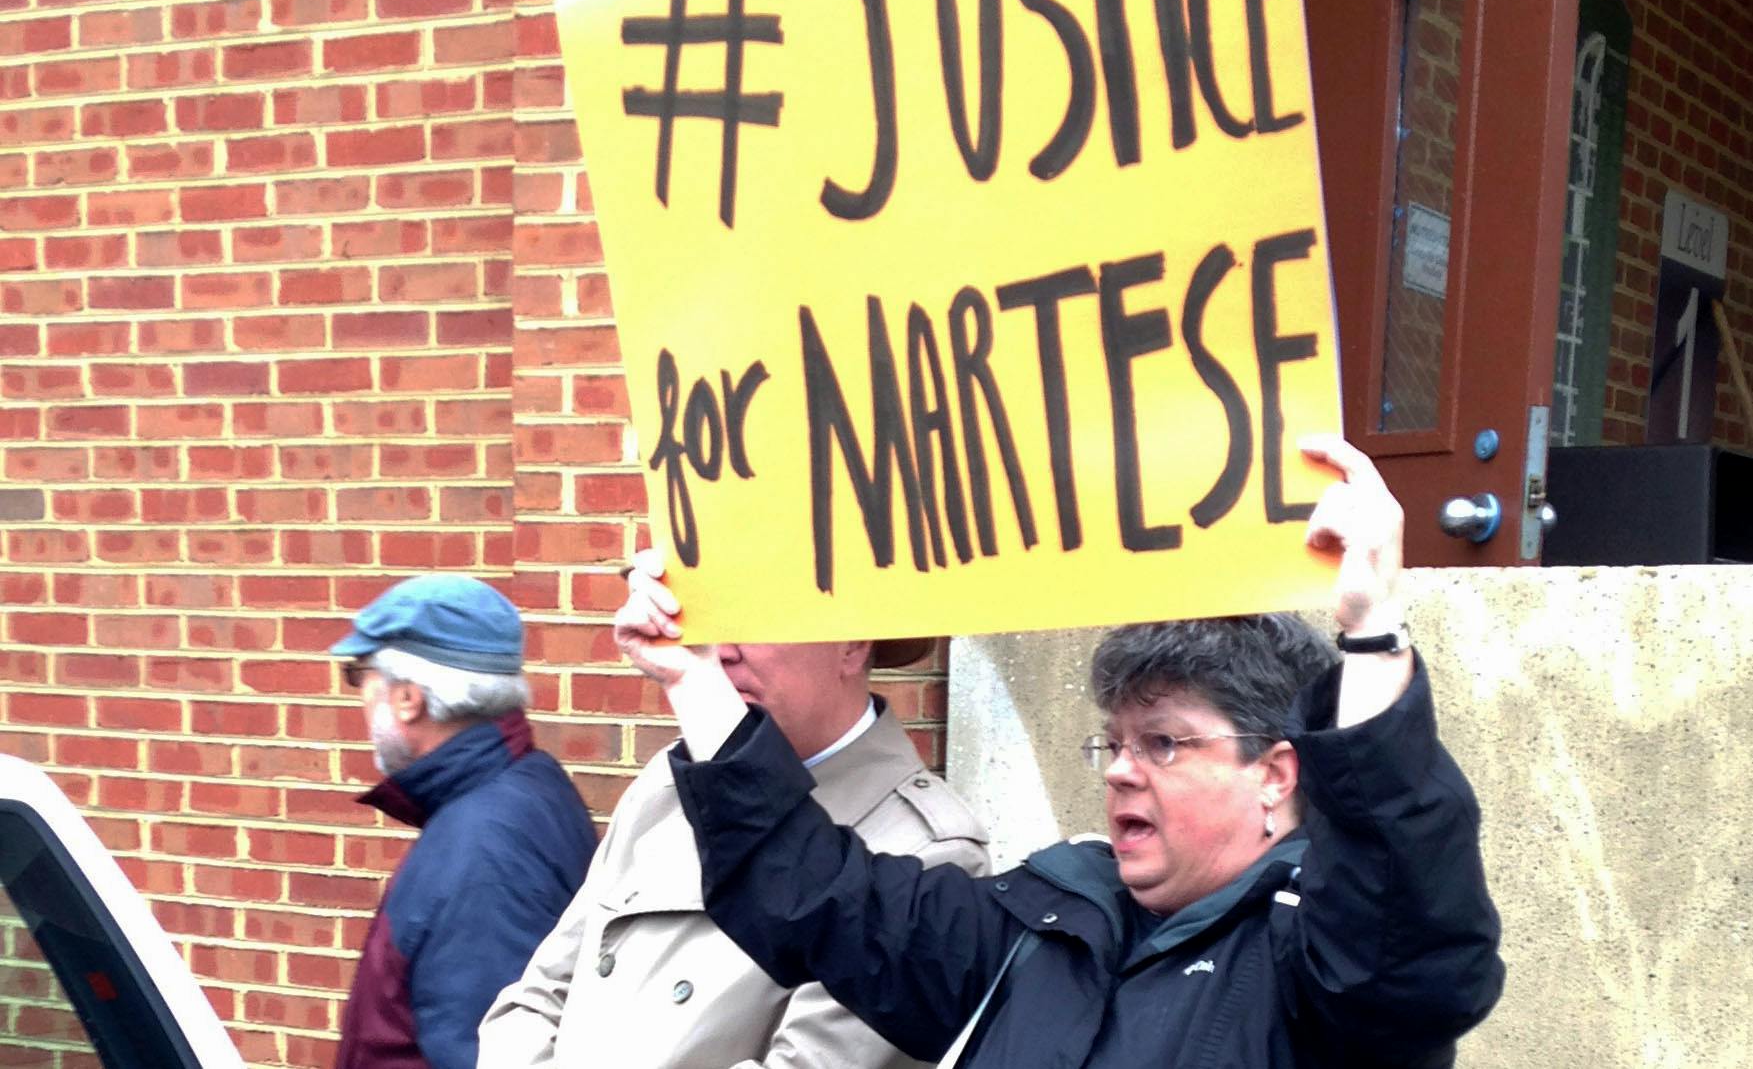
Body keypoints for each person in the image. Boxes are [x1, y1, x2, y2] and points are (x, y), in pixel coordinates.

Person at [614, 434, 1505, 1069]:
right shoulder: (1040, 926)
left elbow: (1404, 921)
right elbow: (814, 896)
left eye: (1162, 743)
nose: (1119, 769)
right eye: (1113, 742)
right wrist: (693, 680)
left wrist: (1372, 629)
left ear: (1272, 775)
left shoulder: (1319, 962)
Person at [478, 628, 991, 1069]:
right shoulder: (668, 785)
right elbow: (533, 1001)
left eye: (755, 621)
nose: (721, 651)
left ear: (852, 643)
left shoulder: (929, 849)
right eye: (707, 621)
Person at [330, 574, 596, 1069]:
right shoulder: (521, 785)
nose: (359, 696)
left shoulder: (486, 853)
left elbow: (487, 1053)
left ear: (408, 698)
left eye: (359, 675)